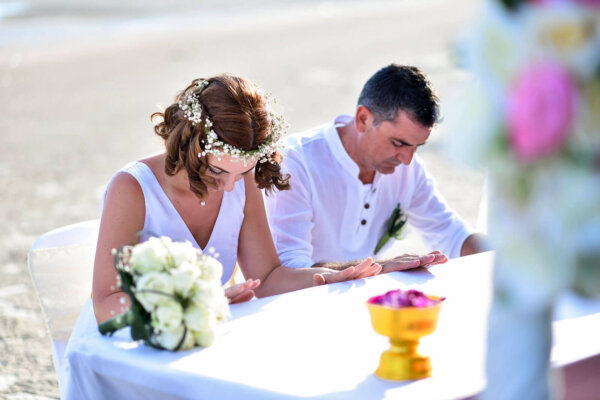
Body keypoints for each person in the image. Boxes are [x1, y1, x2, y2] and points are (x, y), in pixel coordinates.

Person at [92, 74, 381, 323]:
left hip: (205, 333)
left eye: (243, 172)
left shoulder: (241, 181)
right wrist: (194, 304)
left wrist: (339, 274)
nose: (231, 187)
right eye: (217, 170)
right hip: (133, 338)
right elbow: (106, 305)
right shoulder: (132, 188)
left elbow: (267, 279)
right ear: (189, 144)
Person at [265, 64, 483, 273]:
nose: (407, 159)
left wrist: (507, 257)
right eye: (399, 143)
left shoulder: (409, 169)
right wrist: (376, 269)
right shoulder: (294, 161)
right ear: (363, 119)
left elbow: (451, 235)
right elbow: (287, 267)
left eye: (417, 146)